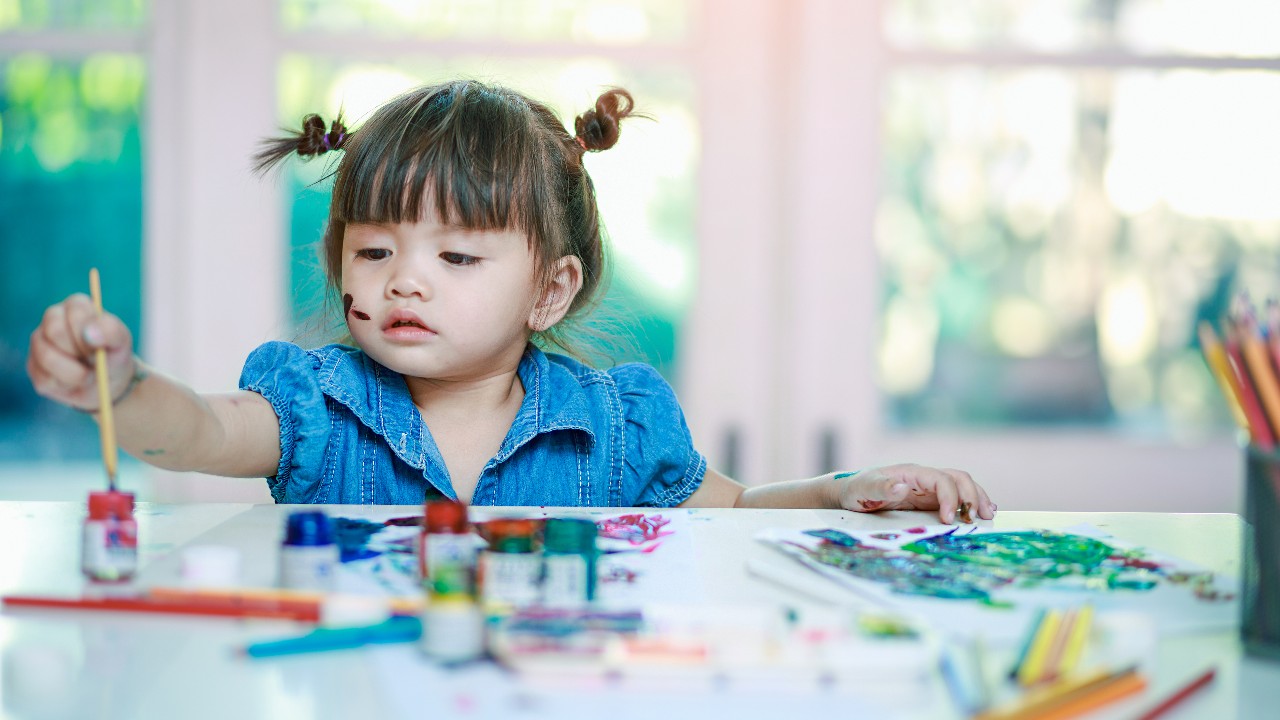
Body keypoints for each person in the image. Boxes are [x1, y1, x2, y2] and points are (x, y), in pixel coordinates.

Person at [27, 80, 995, 523]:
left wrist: (839, 491)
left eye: (455, 255)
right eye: (372, 249)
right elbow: (193, 432)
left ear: (549, 289)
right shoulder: (316, 406)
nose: (403, 278)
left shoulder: (613, 426)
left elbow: (735, 512)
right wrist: (124, 383)